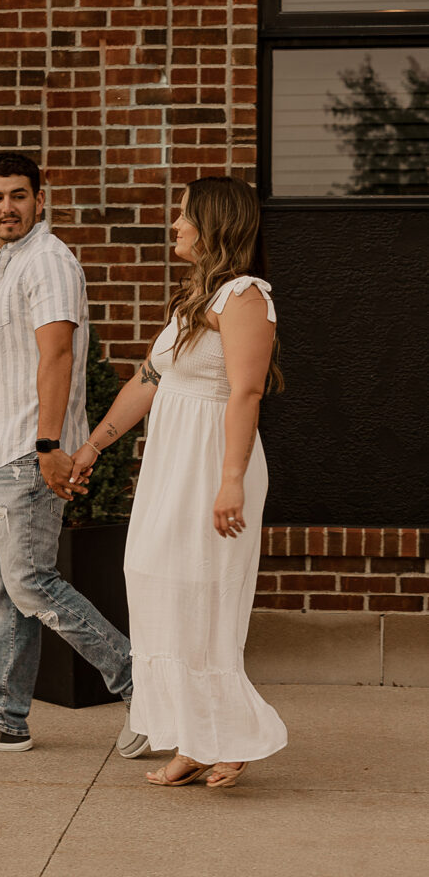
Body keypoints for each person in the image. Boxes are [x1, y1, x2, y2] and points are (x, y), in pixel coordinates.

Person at [70, 175, 288, 787]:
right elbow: (148, 378)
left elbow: (245, 390)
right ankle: (191, 737)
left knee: (207, 595)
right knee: (155, 581)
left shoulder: (246, 297)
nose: (175, 223)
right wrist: (92, 447)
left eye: (185, 214)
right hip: (171, 465)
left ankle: (232, 738)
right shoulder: (194, 298)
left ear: (215, 224)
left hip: (213, 465)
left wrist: (231, 480)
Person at [0, 151, 147, 758]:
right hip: (8, 452)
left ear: (40, 199)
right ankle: (5, 718)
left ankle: (142, 685)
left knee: (30, 582)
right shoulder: (14, 262)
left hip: (30, 451)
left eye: (19, 195)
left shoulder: (48, 261)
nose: (8, 207)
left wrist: (49, 445)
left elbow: (56, 357)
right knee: (11, 590)